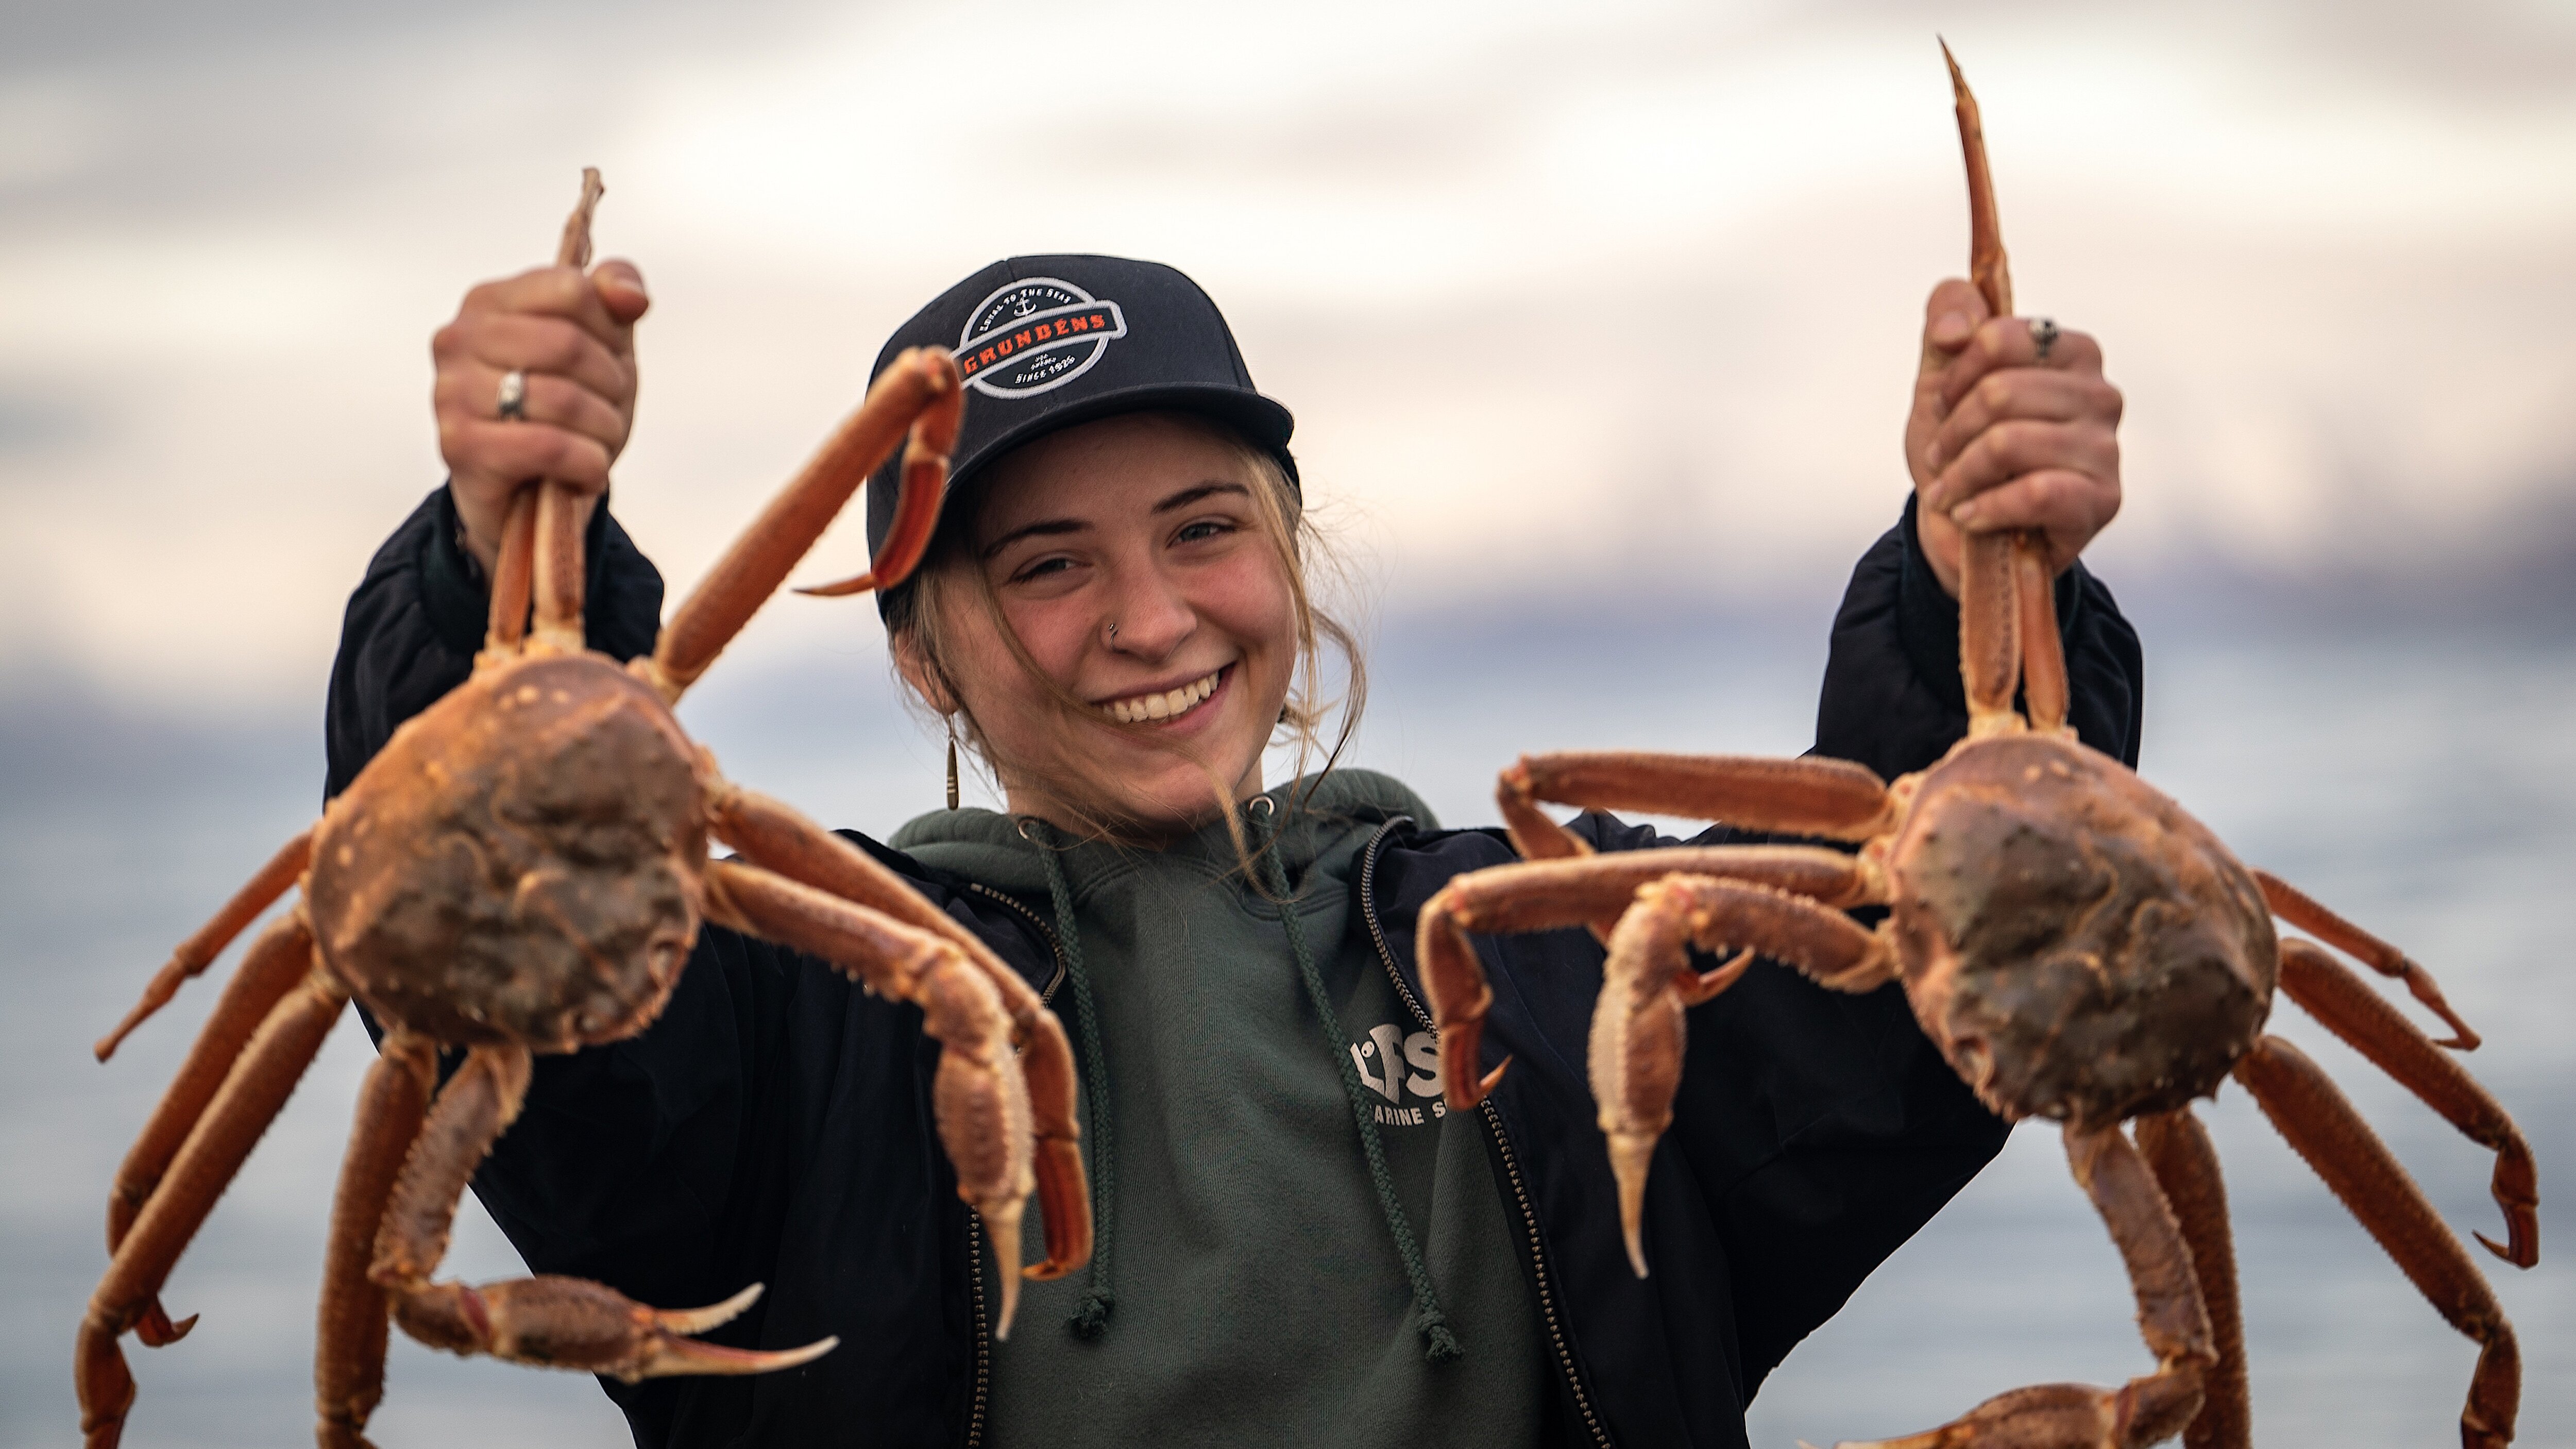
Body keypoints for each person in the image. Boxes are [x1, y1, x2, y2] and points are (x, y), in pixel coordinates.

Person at [326, 251, 2137, 1448]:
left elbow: (1912, 965)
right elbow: (504, 956)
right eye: (1046, 565)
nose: (1149, 618)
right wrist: (492, 569)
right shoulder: (811, 995)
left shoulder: (1550, 938)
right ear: (920, 650)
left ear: (1287, 551)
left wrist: (1976, 572)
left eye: (1203, 529)